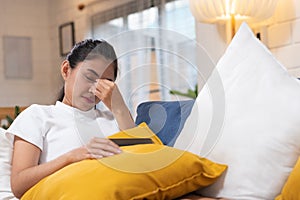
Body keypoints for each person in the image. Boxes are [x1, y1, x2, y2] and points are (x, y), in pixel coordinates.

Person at [8, 39, 135, 198]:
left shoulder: (115, 119)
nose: (93, 89)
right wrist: (72, 157)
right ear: (66, 70)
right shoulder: (38, 116)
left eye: (105, 83)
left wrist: (119, 108)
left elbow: (143, 161)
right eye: (89, 77)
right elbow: (19, 185)